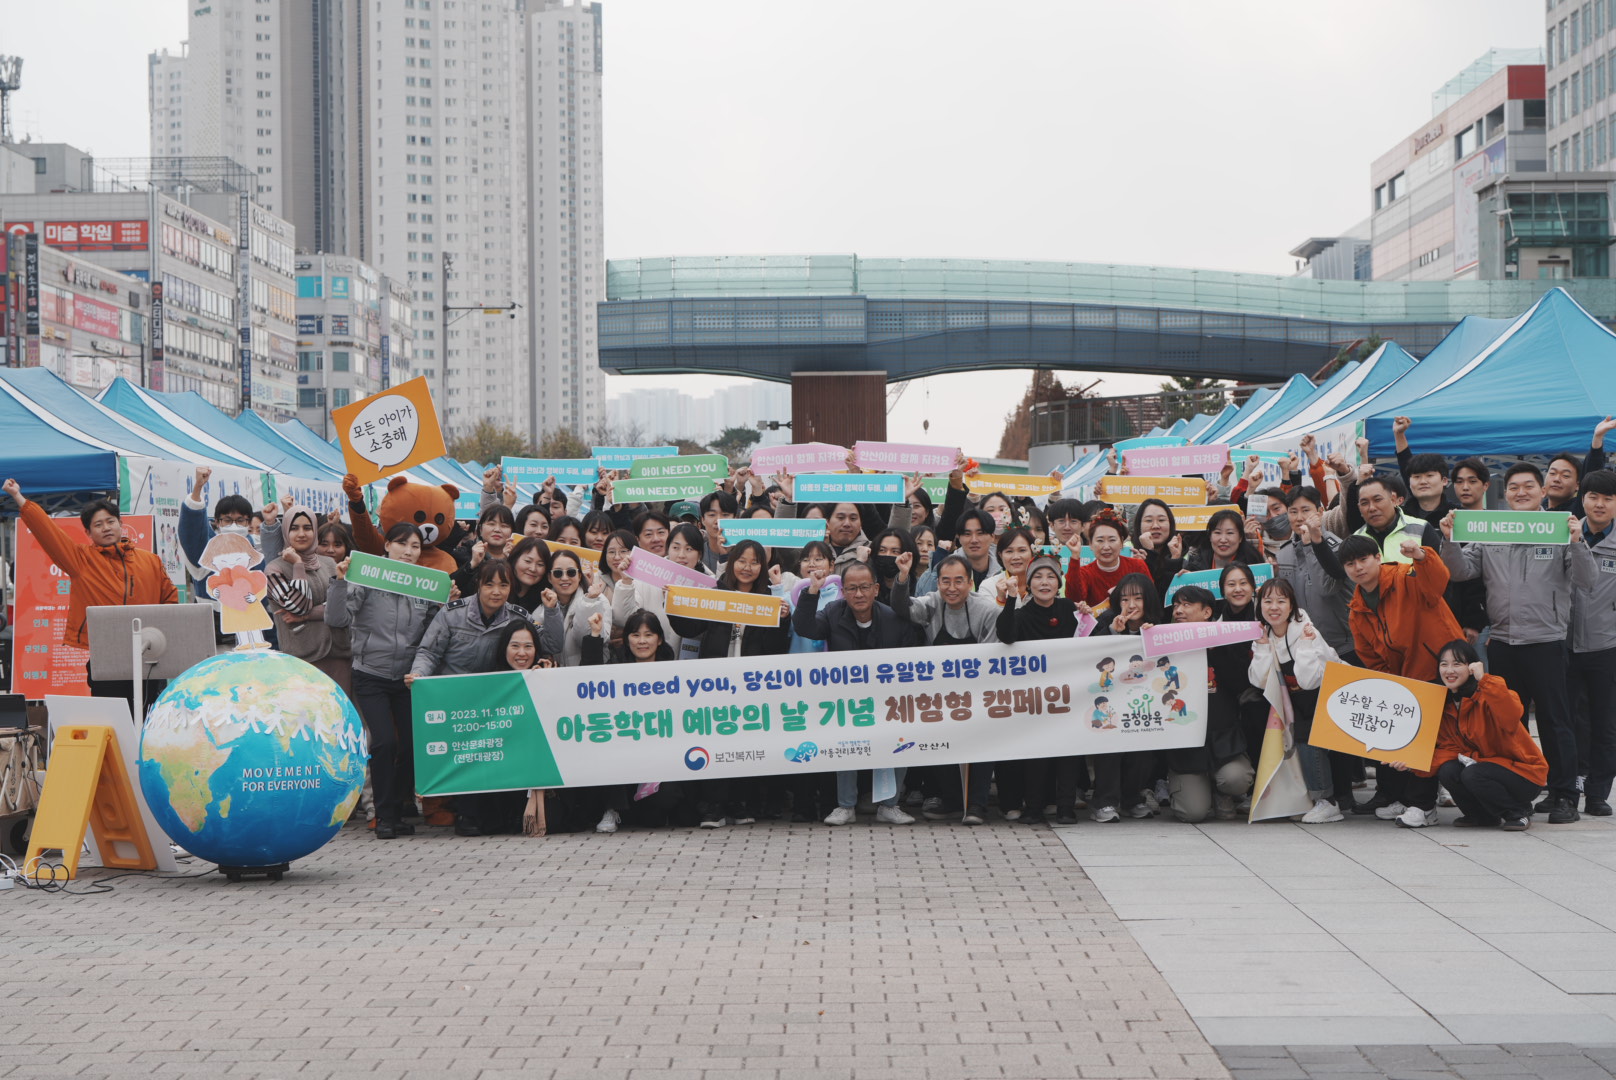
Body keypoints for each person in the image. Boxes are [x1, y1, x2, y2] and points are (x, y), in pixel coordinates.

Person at [1440, 464, 1593, 824]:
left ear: (1543, 492)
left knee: (1557, 722)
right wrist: (1448, 539)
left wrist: (1577, 541)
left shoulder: (1559, 528)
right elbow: (1461, 571)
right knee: (1508, 722)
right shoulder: (1493, 528)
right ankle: (1518, 794)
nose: (1520, 492)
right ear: (1504, 494)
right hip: (1504, 641)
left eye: (1528, 486)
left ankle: (1564, 795)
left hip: (1547, 641)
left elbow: (1586, 580)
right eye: (1513, 487)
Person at [3, 478, 178, 705]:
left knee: (149, 715)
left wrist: (161, 640)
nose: (106, 527)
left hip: (149, 655)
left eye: (110, 521)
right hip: (106, 654)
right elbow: (47, 531)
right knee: (112, 716)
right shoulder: (80, 560)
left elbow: (170, 600)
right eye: (98, 525)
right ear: (88, 532)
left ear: (120, 524)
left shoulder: (150, 560)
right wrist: (18, 497)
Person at [327, 523, 440, 840]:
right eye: (402, 544)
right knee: (383, 742)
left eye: (415, 546)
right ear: (386, 546)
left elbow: (431, 632)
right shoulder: (366, 575)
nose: (408, 551)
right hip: (370, 675)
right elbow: (336, 620)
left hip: (407, 678)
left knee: (410, 744)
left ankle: (399, 805)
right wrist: (340, 582)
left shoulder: (424, 584)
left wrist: (444, 602)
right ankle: (384, 816)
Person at [1339, 534, 1461, 827]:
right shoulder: (1357, 609)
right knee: (1404, 739)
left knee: (1428, 740)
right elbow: (1369, 654)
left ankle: (1423, 805)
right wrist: (1391, 685)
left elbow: (1438, 581)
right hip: (1406, 679)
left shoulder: (1406, 576)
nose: (1358, 568)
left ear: (1378, 557)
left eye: (1363, 559)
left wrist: (1421, 555)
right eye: (1350, 563)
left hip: (1442, 669)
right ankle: (1408, 799)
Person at [407, 559, 530, 836]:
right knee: (465, 758)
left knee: (494, 755)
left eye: (503, 584)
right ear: (478, 585)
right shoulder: (452, 614)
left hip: (497, 701)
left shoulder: (518, 618)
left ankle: (500, 815)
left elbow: (545, 644)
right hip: (454, 701)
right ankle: (466, 812)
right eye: (489, 584)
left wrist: (551, 612)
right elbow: (428, 652)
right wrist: (419, 676)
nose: (496, 591)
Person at [793, 560, 916, 826]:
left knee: (900, 742)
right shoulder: (832, 612)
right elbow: (805, 627)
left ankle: (889, 805)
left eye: (864, 587)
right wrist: (812, 590)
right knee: (845, 744)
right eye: (851, 588)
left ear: (875, 589)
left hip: (888, 700)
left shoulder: (895, 618)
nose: (858, 594)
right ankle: (845, 806)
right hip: (847, 702)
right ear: (843, 591)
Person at [890, 552, 1000, 824]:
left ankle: (976, 805)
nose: (952, 588)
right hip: (939, 695)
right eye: (945, 581)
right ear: (937, 583)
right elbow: (902, 607)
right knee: (940, 746)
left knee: (981, 747)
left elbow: (991, 654)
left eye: (959, 581)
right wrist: (903, 577)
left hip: (978, 692)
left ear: (970, 583)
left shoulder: (987, 609)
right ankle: (952, 801)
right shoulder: (932, 603)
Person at [1403, 640, 1546, 830]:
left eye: (1457, 664)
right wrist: (1412, 763)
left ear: (1471, 667)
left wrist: (1484, 678)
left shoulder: (1489, 693)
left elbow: (1512, 715)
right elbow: (1449, 749)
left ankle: (1517, 813)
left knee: (1473, 774)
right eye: (1444, 664)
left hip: (1523, 774)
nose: (1449, 670)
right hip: (1484, 768)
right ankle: (1481, 816)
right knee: (1448, 770)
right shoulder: (1446, 705)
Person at [1250, 578, 1351, 823]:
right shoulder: (1264, 634)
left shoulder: (1306, 631)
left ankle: (1326, 801)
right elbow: (1258, 681)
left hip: (1328, 695)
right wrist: (1262, 648)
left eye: (1281, 601)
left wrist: (1305, 647)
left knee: (1308, 738)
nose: (1274, 607)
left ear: (1292, 605)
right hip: (1294, 700)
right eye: (1268, 601)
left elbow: (1309, 681)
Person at [578, 609, 684, 832]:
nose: (642, 641)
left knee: (658, 811)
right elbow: (589, 681)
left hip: (660, 756)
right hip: (623, 752)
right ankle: (612, 809)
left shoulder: (674, 673)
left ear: (660, 639)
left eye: (648, 635)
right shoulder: (616, 671)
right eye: (635, 635)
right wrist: (595, 636)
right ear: (627, 639)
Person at [1164, 585, 1254, 824]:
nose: (1179, 611)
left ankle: (1223, 793)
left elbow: (1241, 683)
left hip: (1222, 739)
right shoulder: (1163, 643)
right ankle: (1185, 786)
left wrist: (1218, 652)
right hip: (1185, 745)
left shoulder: (1224, 642)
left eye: (1186, 605)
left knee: (1236, 779)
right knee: (1192, 813)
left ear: (1206, 613)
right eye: (1176, 606)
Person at [263, 502, 348, 691]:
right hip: (303, 657)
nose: (301, 534)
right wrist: (298, 565)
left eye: (307, 528)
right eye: (294, 528)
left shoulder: (329, 564)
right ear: (285, 531)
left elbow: (343, 606)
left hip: (339, 653)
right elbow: (299, 605)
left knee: (342, 713)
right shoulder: (274, 569)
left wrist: (308, 615)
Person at [1571, 468, 1616, 817]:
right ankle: (1566, 789)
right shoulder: (1563, 534)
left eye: (1608, 498)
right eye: (1593, 496)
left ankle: (1598, 793)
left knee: (1605, 724)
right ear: (1581, 498)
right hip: (1563, 642)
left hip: (1607, 647)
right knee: (1567, 721)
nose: (1600, 504)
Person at [1273, 487, 1354, 662]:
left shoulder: (1337, 547)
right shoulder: (1284, 553)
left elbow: (1326, 588)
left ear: (1320, 512)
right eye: (1293, 512)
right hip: (1306, 645)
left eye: (1305, 510)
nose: (1299, 517)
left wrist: (1310, 546)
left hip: (1343, 645)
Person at [177, 465, 258, 603]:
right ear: (217, 522)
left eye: (240, 520)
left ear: (249, 522)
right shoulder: (206, 552)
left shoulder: (257, 551)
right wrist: (198, 488)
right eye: (227, 520)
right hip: (212, 619)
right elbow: (192, 530)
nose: (234, 525)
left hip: (251, 620)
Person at [535, 549, 612, 668]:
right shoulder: (541, 609)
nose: (565, 578)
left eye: (571, 572)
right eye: (558, 573)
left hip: (589, 676)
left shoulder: (599, 600)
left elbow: (588, 640)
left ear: (580, 576)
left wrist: (589, 602)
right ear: (549, 578)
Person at [1067, 509, 1150, 607]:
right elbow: (1075, 599)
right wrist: (1075, 556)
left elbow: (1150, 598)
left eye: (1112, 540)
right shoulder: (1086, 573)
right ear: (1090, 544)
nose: (1106, 547)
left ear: (1121, 542)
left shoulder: (1137, 566)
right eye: (1100, 540)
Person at [914, 509, 1000, 596]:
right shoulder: (941, 569)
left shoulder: (1005, 568)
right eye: (967, 534)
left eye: (980, 533)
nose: (974, 540)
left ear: (992, 537)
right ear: (959, 537)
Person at [1354, 475, 1432, 563]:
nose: (1372, 508)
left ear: (1393, 499)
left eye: (1377, 500)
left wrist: (1421, 558)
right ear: (1359, 508)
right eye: (1364, 503)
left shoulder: (1421, 529)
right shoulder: (1357, 539)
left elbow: (1440, 572)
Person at [1131, 499, 1184, 598]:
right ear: (1139, 525)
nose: (1155, 526)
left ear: (1171, 524)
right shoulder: (1130, 557)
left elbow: (1167, 597)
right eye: (1149, 520)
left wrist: (1175, 559)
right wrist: (1149, 553)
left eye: (1161, 520)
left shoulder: (1185, 560)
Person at [1183, 508, 1262, 572]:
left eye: (1230, 533)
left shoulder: (1254, 565)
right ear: (1210, 536)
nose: (1223, 540)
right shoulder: (1195, 565)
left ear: (1240, 537)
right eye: (1217, 532)